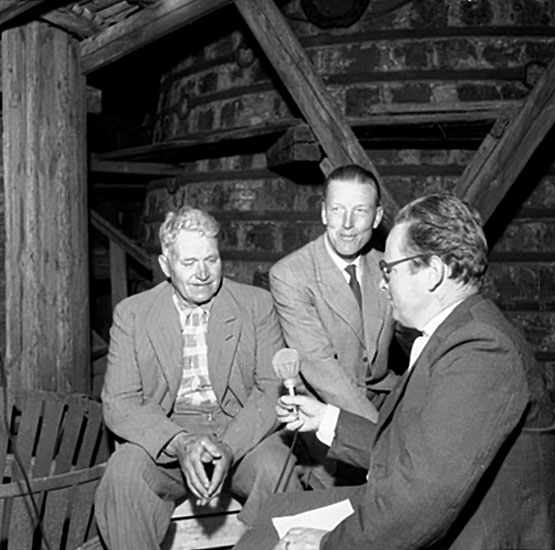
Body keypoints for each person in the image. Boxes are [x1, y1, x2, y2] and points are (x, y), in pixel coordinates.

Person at [234, 193, 555, 550]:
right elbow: (408, 450)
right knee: (271, 524)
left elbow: (422, 497)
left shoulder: (480, 349)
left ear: (433, 273)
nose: (382, 283)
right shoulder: (457, 331)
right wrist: (326, 419)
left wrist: (327, 544)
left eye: (390, 269)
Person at [95, 206, 304, 550]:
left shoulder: (256, 305)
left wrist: (229, 446)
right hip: (167, 436)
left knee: (277, 469)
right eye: (189, 263)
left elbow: (270, 389)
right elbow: (119, 403)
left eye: (211, 260)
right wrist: (180, 442)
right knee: (123, 475)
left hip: (241, 433)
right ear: (166, 266)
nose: (203, 274)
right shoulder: (133, 314)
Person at [270, 164, 407, 424]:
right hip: (324, 408)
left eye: (360, 211)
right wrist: (376, 432)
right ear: (324, 213)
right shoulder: (290, 274)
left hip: (386, 397)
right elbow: (321, 367)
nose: (347, 224)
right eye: (337, 210)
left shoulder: (388, 266)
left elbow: (413, 336)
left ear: (377, 217)